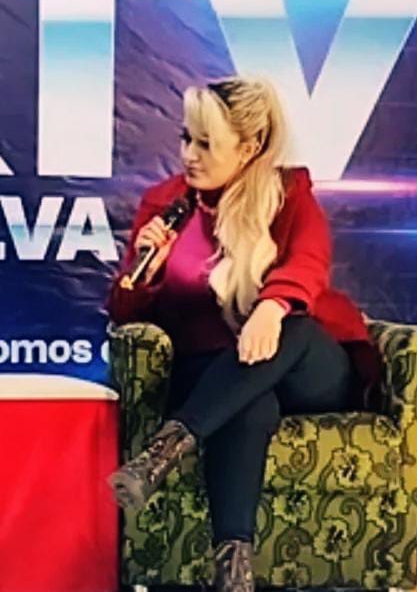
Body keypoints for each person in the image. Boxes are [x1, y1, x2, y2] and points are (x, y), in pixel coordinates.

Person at [105, 76, 382, 592]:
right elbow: (122, 311)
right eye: (186, 138)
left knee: (293, 326)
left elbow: (309, 262)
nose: (189, 155)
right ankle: (233, 575)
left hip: (304, 368)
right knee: (250, 403)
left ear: (249, 147)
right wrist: (147, 274)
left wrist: (272, 306)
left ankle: (165, 450)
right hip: (219, 373)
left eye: (206, 144)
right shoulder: (166, 205)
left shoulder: (288, 193)